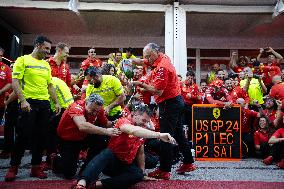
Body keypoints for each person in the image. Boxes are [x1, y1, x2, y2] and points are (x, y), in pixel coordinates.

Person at [72, 103, 176, 189]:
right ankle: (82, 182)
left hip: (124, 164)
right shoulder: (123, 121)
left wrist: (143, 173)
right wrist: (159, 135)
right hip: (110, 162)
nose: (145, 124)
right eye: (143, 121)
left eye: (147, 122)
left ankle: (98, 185)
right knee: (107, 153)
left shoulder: (142, 128)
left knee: (138, 175)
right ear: (134, 115)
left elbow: (140, 153)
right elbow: (133, 131)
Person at [131, 43, 196, 180]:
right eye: (145, 57)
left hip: (169, 103)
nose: (147, 59)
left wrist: (141, 84)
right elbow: (147, 61)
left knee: (164, 135)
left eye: (148, 56)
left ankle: (164, 170)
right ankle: (189, 162)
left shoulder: (162, 68)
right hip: (176, 101)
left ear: (155, 52)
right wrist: (135, 61)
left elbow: (157, 91)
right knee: (178, 133)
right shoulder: (162, 57)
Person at [5, 35, 61, 182]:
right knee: (23, 136)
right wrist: (22, 100)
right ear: (37, 45)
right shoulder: (22, 60)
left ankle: (35, 167)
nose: (48, 52)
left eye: (50, 49)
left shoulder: (46, 65)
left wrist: (55, 102)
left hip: (44, 104)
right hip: (28, 102)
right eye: (46, 48)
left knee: (41, 137)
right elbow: (15, 81)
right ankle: (14, 167)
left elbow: (50, 86)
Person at [53, 93, 120, 179]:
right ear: (86, 102)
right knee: (69, 173)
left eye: (97, 111)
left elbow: (106, 123)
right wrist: (106, 131)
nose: (94, 113)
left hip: (83, 137)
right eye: (92, 110)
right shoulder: (76, 107)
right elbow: (82, 126)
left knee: (102, 140)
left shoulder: (99, 109)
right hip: (68, 140)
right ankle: (55, 159)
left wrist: (116, 123)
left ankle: (87, 169)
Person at [0, 47, 13, 159]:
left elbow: (10, 83)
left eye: (0, 56)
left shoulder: (6, 68)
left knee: (7, 126)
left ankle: (7, 150)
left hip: (2, 103)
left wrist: (1, 91)